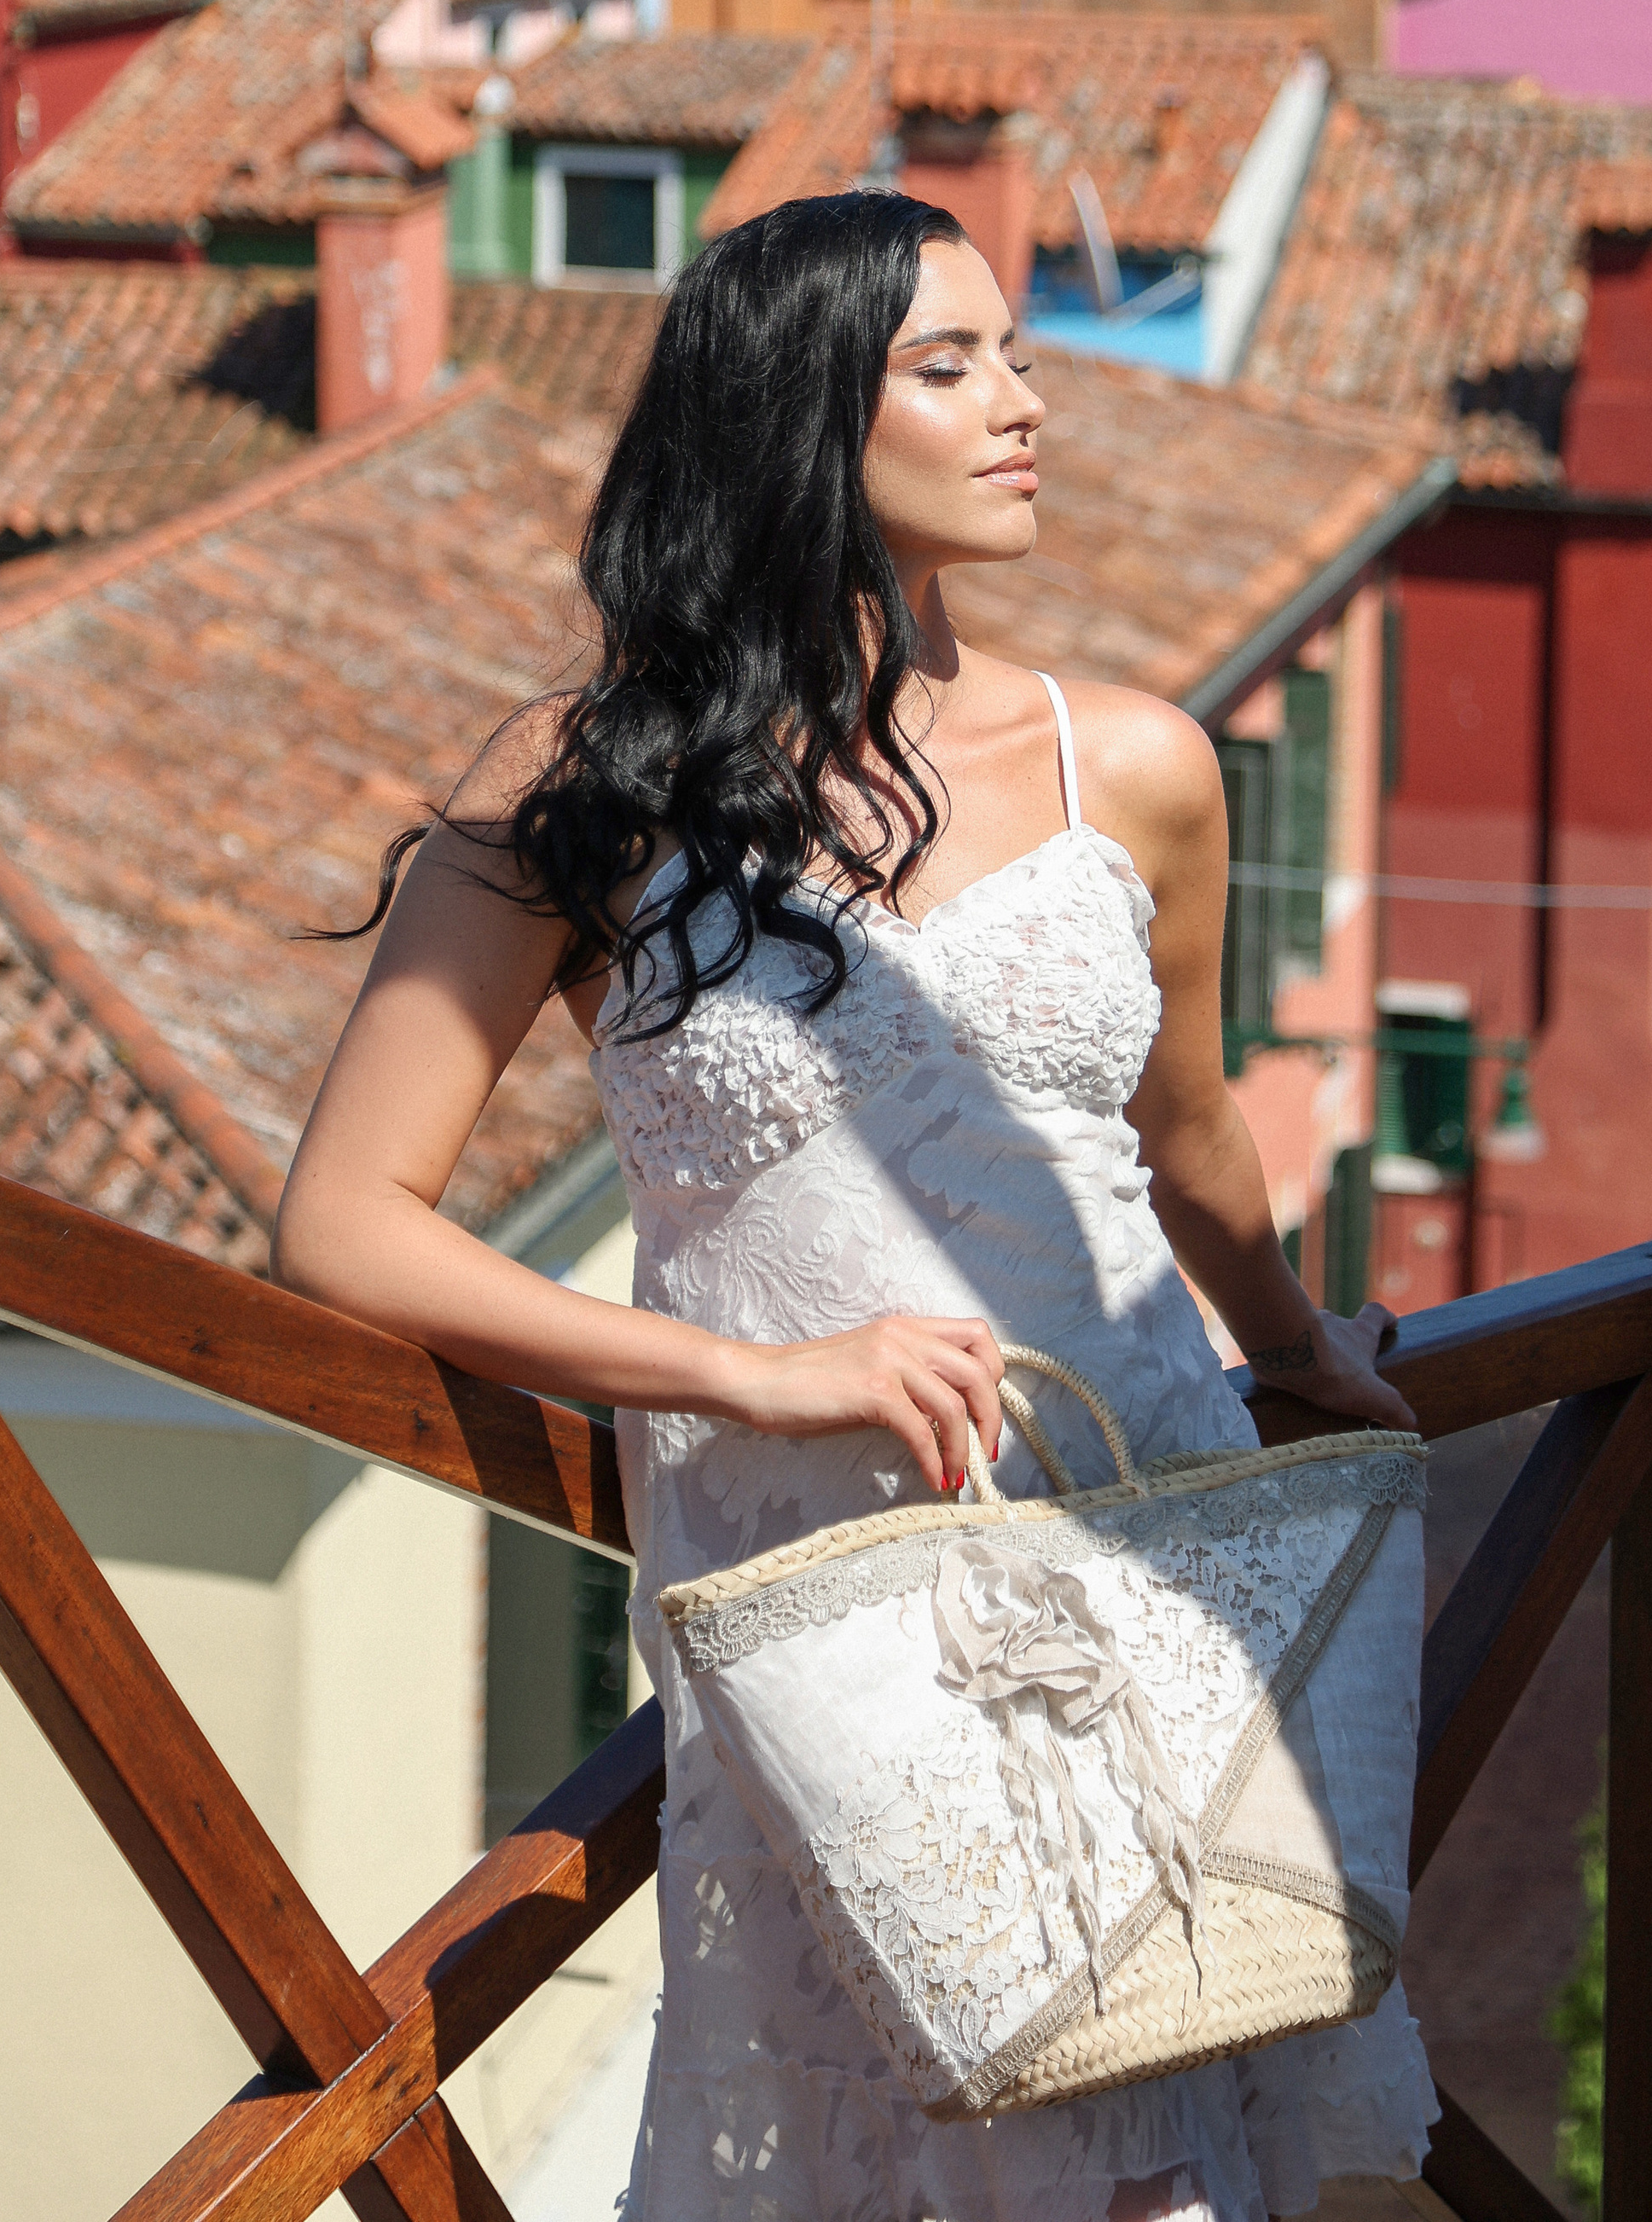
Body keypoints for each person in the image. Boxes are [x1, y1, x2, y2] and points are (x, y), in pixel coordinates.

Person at [276, 191, 1433, 2222]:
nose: (1026, 405)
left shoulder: (1135, 764)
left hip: (1128, 1521)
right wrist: (752, 1372)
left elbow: (1187, 1136)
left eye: (1017, 355)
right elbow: (348, 1223)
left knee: (1152, 2118)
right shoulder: (580, 795)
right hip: (815, 1581)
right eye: (951, 364)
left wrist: (1302, 1355)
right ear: (798, 419)